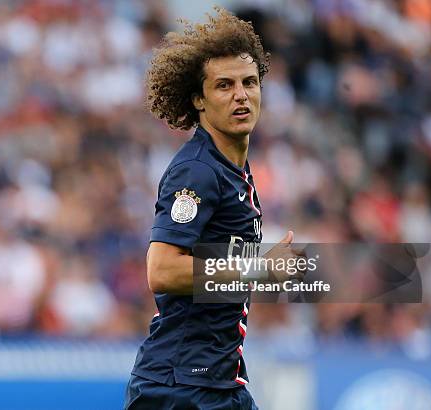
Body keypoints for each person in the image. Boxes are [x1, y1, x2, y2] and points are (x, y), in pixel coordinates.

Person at [125, 7, 303, 409]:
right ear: (198, 100)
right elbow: (162, 270)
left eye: (250, 82)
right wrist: (259, 267)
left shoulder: (234, 170)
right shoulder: (197, 171)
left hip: (218, 382)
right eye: (224, 85)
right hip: (179, 388)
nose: (241, 94)